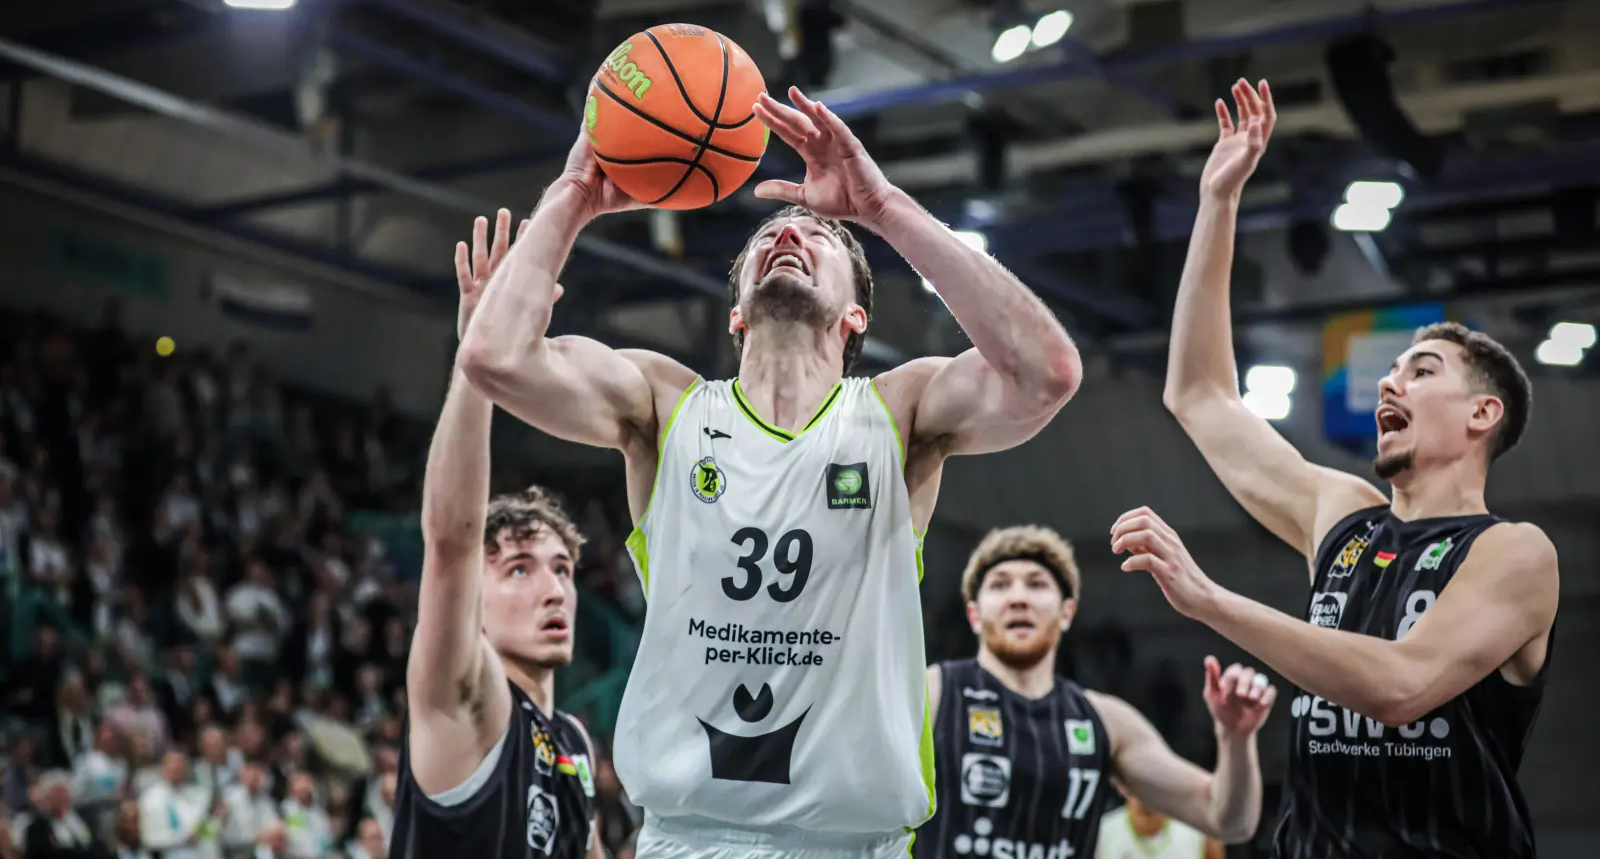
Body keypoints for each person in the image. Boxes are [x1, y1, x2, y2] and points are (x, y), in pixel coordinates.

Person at [460, 86, 1082, 858]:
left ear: (857, 317)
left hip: (851, 843)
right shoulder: (663, 404)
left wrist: (884, 209)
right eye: (768, 235)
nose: (787, 236)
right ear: (736, 314)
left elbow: (1047, 373)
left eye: (816, 236)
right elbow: (494, 358)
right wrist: (573, 197)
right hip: (687, 840)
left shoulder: (900, 413)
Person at [1131, 78, 1558, 858]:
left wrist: (1211, 602)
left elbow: (1402, 687)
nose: (1391, 382)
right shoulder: (1344, 517)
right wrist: (1218, 204)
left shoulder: (1515, 553)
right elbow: (1197, 393)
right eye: (1392, 371)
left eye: (1422, 371)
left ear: (1482, 416)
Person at [389, 212, 599, 859]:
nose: (553, 589)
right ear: (476, 593)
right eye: (518, 568)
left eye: (561, 568)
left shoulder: (573, 743)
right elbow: (452, 538)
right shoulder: (469, 695)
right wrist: (476, 365)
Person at [917, 526, 1273, 859]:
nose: (1018, 598)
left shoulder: (1106, 721)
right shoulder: (930, 691)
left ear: (1067, 612)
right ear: (974, 615)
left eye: (1037, 584)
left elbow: (1229, 821)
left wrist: (1234, 738)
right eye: (1000, 585)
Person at [1097, 784, 1222, 859]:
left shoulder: (1200, 830)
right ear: (1121, 786)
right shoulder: (1100, 832)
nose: (1145, 791)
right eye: (1139, 780)